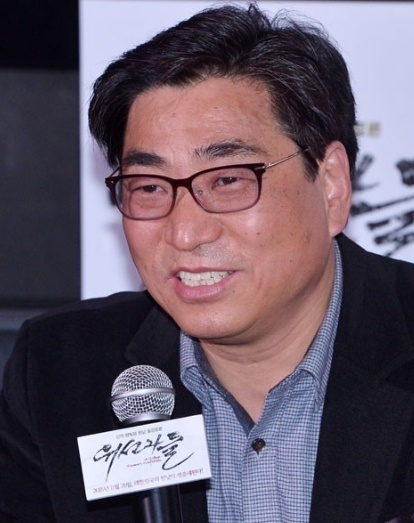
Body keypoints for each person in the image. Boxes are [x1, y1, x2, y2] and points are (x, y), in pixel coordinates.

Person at [1, 3, 414, 522]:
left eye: (228, 180)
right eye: (149, 187)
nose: (185, 232)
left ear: (330, 184)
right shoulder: (60, 372)